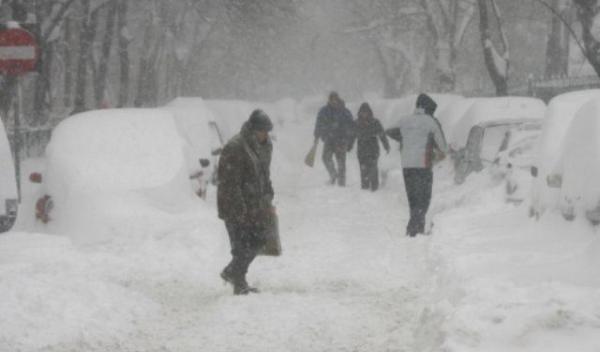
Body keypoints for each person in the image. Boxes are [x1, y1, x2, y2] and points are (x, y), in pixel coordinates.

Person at [217, 109, 276, 295]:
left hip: (256, 204)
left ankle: (232, 272)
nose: (266, 135)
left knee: (259, 240)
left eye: (267, 131)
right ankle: (239, 281)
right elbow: (229, 182)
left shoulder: (265, 146)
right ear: (253, 129)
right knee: (241, 246)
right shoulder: (236, 147)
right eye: (263, 131)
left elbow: (264, 174)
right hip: (235, 205)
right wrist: (238, 207)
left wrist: (268, 193)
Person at [386, 93, 448, 237]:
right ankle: (414, 230)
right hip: (423, 165)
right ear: (429, 109)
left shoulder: (404, 120)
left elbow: (389, 130)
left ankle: (415, 228)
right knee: (424, 198)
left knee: (413, 198)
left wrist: (404, 139)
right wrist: (434, 147)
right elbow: (443, 147)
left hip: (407, 166)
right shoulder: (431, 122)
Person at [314, 92, 355, 186]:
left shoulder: (345, 112)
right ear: (329, 100)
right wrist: (317, 135)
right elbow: (318, 124)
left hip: (341, 141)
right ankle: (333, 174)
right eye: (331, 100)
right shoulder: (324, 111)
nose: (333, 102)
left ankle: (342, 183)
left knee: (341, 162)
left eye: (335, 100)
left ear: (338, 100)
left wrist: (349, 140)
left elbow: (352, 126)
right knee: (325, 158)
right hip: (328, 139)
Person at [350, 102, 390, 191]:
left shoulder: (375, 122)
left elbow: (382, 135)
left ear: (369, 112)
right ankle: (365, 188)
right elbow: (352, 136)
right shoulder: (356, 123)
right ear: (359, 113)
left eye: (366, 112)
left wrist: (386, 145)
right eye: (362, 112)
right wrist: (349, 146)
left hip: (373, 151)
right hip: (361, 152)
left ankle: (374, 188)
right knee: (363, 171)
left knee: (373, 170)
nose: (364, 114)